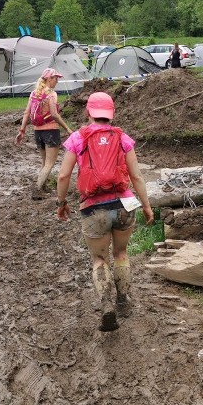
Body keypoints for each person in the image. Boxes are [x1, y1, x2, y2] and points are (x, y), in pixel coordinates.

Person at [55, 92, 155, 332]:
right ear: (112, 113)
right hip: (124, 205)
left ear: (88, 112)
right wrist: (147, 205)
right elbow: (137, 176)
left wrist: (61, 203)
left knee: (99, 259)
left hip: (93, 209)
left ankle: (106, 305)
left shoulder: (77, 139)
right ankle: (123, 300)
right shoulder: (123, 138)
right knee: (121, 254)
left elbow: (63, 175)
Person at [16, 68, 74, 198]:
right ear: (49, 79)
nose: (57, 81)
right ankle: (37, 190)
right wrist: (67, 129)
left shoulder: (34, 93)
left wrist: (22, 130)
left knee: (44, 163)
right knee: (49, 164)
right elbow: (54, 114)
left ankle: (44, 187)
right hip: (51, 131)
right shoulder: (51, 95)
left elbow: (26, 113)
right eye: (55, 78)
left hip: (37, 132)